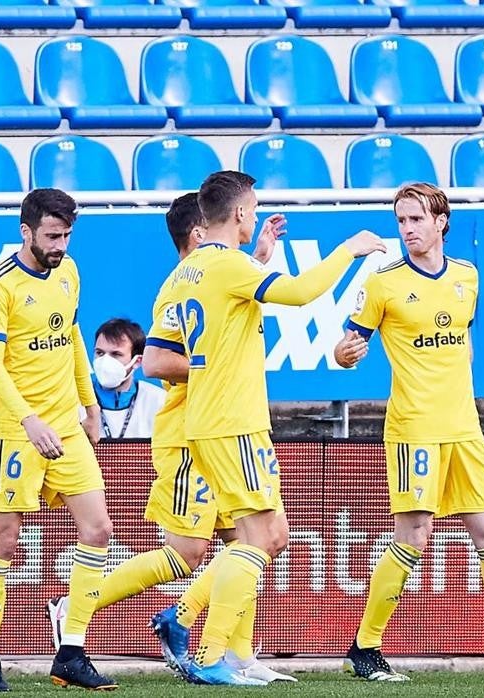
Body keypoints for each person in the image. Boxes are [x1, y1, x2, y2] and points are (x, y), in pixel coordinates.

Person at [143, 171, 385, 685]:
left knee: (266, 535)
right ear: (238, 215)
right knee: (259, 539)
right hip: (233, 422)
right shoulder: (228, 265)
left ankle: (191, 628)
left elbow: (210, 313)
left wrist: (259, 258)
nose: (254, 216)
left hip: (209, 420)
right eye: (252, 209)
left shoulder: (187, 272)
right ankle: (208, 654)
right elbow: (298, 293)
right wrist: (350, 250)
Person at [47, 194, 295, 685]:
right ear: (199, 234)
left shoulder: (213, 278)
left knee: (243, 541)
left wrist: (259, 259)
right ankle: (78, 605)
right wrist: (217, 363)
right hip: (190, 433)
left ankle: (239, 654)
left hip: (217, 428)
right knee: (187, 552)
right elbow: (160, 363)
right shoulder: (183, 288)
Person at [334, 183, 484, 682]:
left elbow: (461, 343)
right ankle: (365, 647)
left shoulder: (467, 275)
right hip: (414, 428)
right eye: (401, 221)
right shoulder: (384, 283)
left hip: (463, 428)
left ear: (441, 221)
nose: (407, 230)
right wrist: (345, 354)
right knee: (415, 535)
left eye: (416, 219)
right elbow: (347, 343)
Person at [0, 188, 113, 692]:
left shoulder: (69, 271)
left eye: (67, 235)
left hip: (66, 426)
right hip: (15, 432)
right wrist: (29, 420)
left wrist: (90, 404)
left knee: (98, 530)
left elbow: (72, 337)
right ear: (25, 231)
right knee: (4, 540)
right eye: (52, 236)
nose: (60, 245)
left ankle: (71, 651)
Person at [88, 318, 166, 440]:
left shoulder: (159, 401)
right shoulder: (74, 400)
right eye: (99, 353)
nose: (105, 361)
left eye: (116, 354)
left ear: (137, 361)